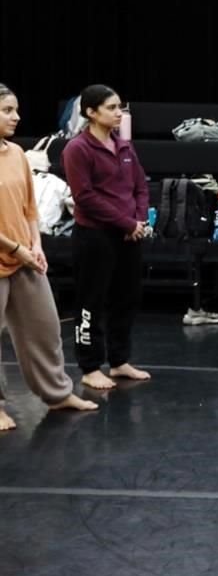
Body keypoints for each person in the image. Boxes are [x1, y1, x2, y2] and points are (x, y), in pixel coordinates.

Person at [0, 82, 98, 430]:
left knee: (45, 328)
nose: (16, 117)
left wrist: (36, 245)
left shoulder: (16, 155)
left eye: (16, 109)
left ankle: (58, 394)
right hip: (10, 255)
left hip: (26, 256)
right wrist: (18, 249)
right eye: (7, 110)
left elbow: (29, 207)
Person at [62, 84, 152, 390]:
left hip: (128, 235)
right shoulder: (78, 148)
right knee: (91, 302)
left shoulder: (124, 144)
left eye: (119, 107)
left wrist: (138, 219)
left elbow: (140, 185)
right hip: (95, 236)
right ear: (91, 112)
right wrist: (126, 222)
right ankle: (89, 367)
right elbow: (84, 197)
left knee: (125, 298)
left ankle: (119, 361)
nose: (119, 113)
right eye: (112, 108)